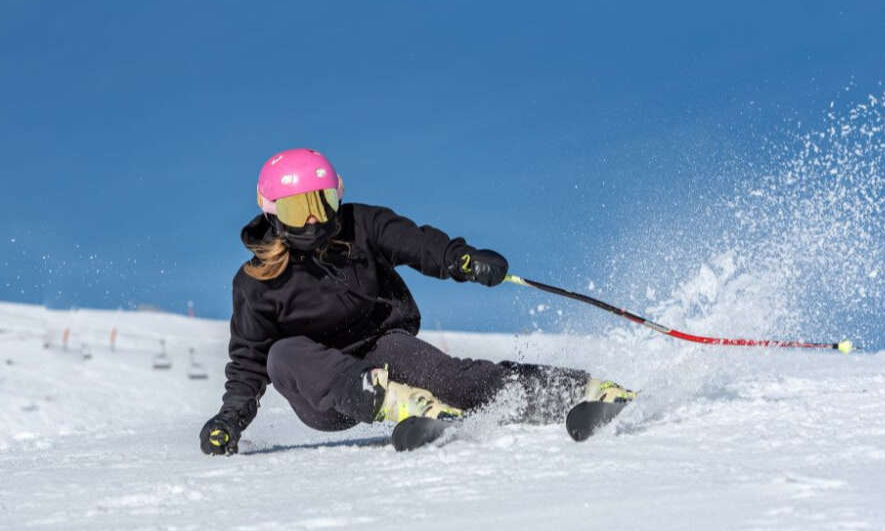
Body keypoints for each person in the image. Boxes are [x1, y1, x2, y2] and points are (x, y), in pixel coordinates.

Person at [199, 148, 634, 455]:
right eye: (298, 211)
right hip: (327, 394)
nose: (313, 219)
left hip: (385, 351)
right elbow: (250, 363)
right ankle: (397, 403)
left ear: (338, 197)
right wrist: (229, 420)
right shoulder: (255, 282)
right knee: (281, 354)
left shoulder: (360, 225)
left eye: (322, 203)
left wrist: (460, 259)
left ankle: (581, 390)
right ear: (272, 214)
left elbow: (414, 242)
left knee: (457, 380)